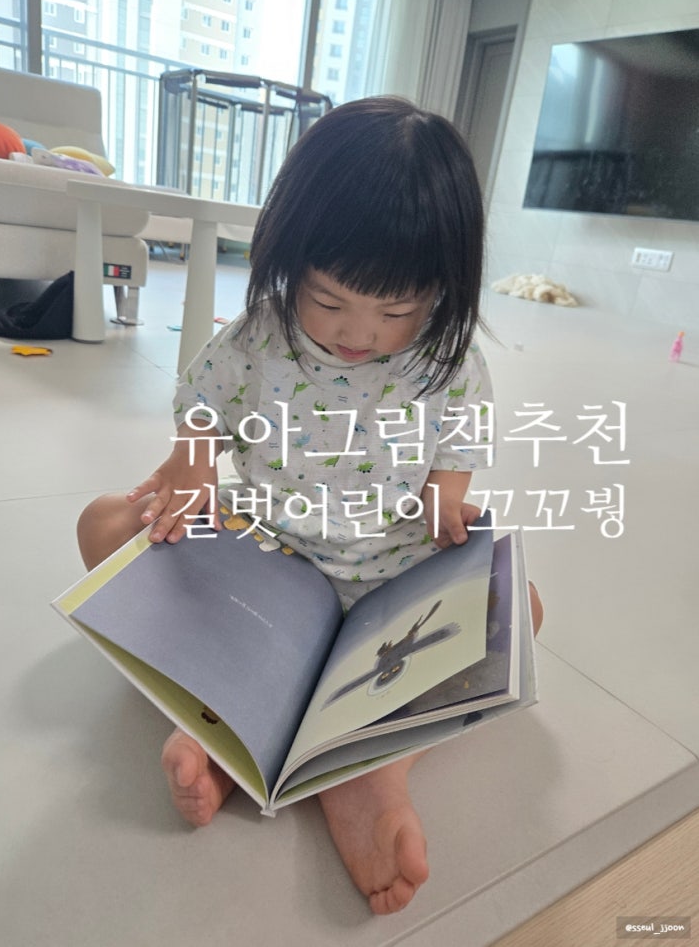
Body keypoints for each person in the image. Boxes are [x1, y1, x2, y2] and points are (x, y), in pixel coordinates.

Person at [77, 96, 543, 916]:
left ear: (444, 286)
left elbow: (459, 445)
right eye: (327, 301)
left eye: (396, 311)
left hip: (389, 573)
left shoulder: (450, 355)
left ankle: (372, 767)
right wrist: (191, 466)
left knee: (519, 606)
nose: (358, 333)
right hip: (267, 557)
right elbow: (203, 406)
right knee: (106, 524)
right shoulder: (261, 333)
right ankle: (229, 726)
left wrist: (447, 502)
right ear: (287, 257)